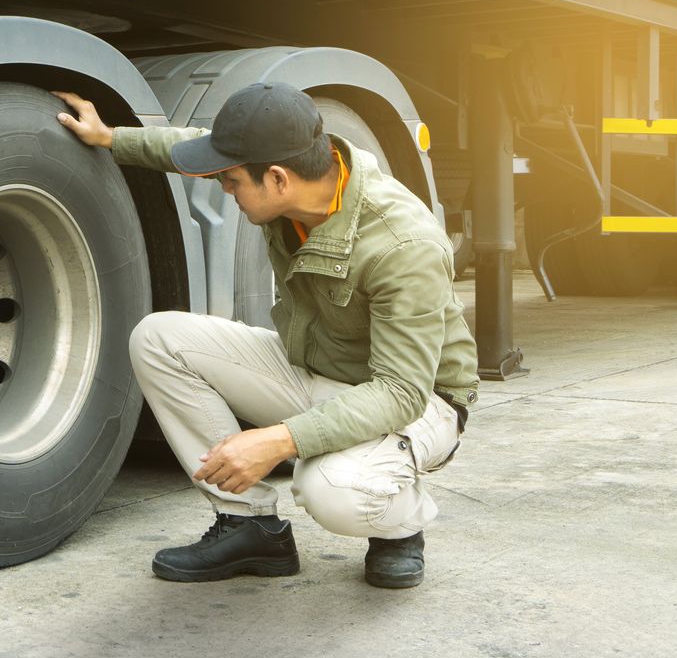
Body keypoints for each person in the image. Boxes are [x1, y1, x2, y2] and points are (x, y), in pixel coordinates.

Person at [53, 82, 478, 588]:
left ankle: (399, 525)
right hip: (320, 370)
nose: (224, 189)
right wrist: (109, 138)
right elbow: (197, 146)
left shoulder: (402, 244)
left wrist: (278, 441)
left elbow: (400, 392)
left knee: (332, 491)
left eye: (231, 181)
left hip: (419, 402)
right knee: (159, 338)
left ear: (277, 178)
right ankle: (249, 528)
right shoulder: (303, 179)